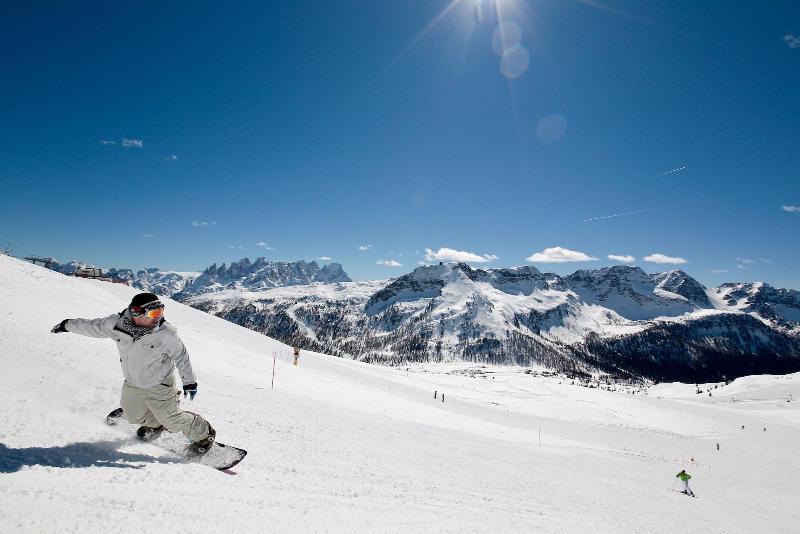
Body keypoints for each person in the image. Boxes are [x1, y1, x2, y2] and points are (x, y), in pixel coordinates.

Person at [51, 292, 215, 455]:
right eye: (154, 313)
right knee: (132, 415)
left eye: (160, 312)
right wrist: (67, 325)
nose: (158, 317)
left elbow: (181, 356)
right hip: (133, 382)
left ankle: (204, 434)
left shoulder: (166, 333)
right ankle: (155, 424)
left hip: (160, 384)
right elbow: (93, 327)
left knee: (171, 419)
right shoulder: (116, 324)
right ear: (136, 312)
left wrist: (189, 381)